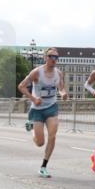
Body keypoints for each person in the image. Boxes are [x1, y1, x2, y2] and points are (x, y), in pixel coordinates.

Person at [18, 47, 68, 178]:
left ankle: (43, 167)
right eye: (51, 56)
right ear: (45, 57)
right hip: (37, 109)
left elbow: (61, 88)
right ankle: (32, 126)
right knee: (40, 142)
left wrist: (63, 94)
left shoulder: (59, 73)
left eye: (56, 57)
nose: (54, 59)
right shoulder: (37, 72)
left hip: (51, 107)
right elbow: (21, 86)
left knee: (53, 135)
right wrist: (34, 98)